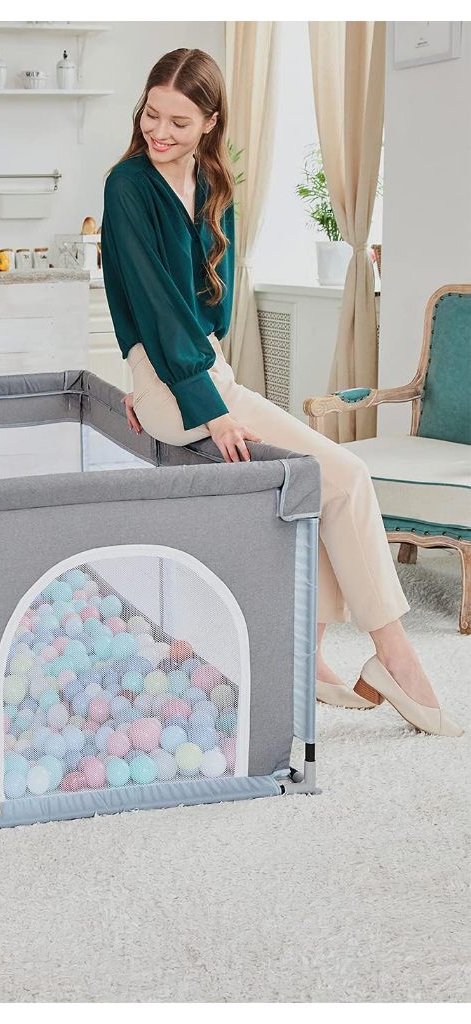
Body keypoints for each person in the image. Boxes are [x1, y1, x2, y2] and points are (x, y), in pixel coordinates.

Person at [101, 48, 461, 737]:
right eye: (151, 114)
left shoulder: (213, 183)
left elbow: (212, 310)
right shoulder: (128, 185)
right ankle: (397, 658)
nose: (159, 132)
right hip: (182, 384)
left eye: (179, 121)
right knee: (347, 476)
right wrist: (197, 403)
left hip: (199, 370)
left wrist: (191, 378)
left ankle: (312, 657)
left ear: (211, 122)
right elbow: (152, 305)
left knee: (319, 484)